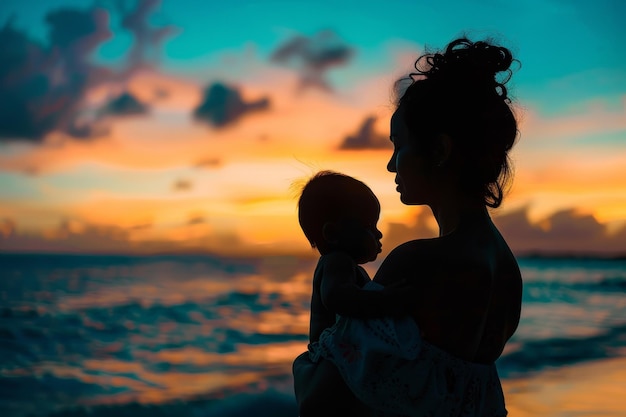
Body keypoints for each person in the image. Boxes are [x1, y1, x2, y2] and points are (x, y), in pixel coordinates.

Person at [293, 36, 523, 417]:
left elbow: (322, 403)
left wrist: (312, 349)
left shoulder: (417, 262)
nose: (390, 165)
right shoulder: (509, 274)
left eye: (398, 145)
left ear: (438, 151)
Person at [295, 170, 418, 416]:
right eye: (369, 226)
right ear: (333, 234)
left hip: (338, 367)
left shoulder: (345, 266)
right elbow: (336, 297)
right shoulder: (337, 262)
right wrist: (385, 300)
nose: (378, 234)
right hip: (331, 368)